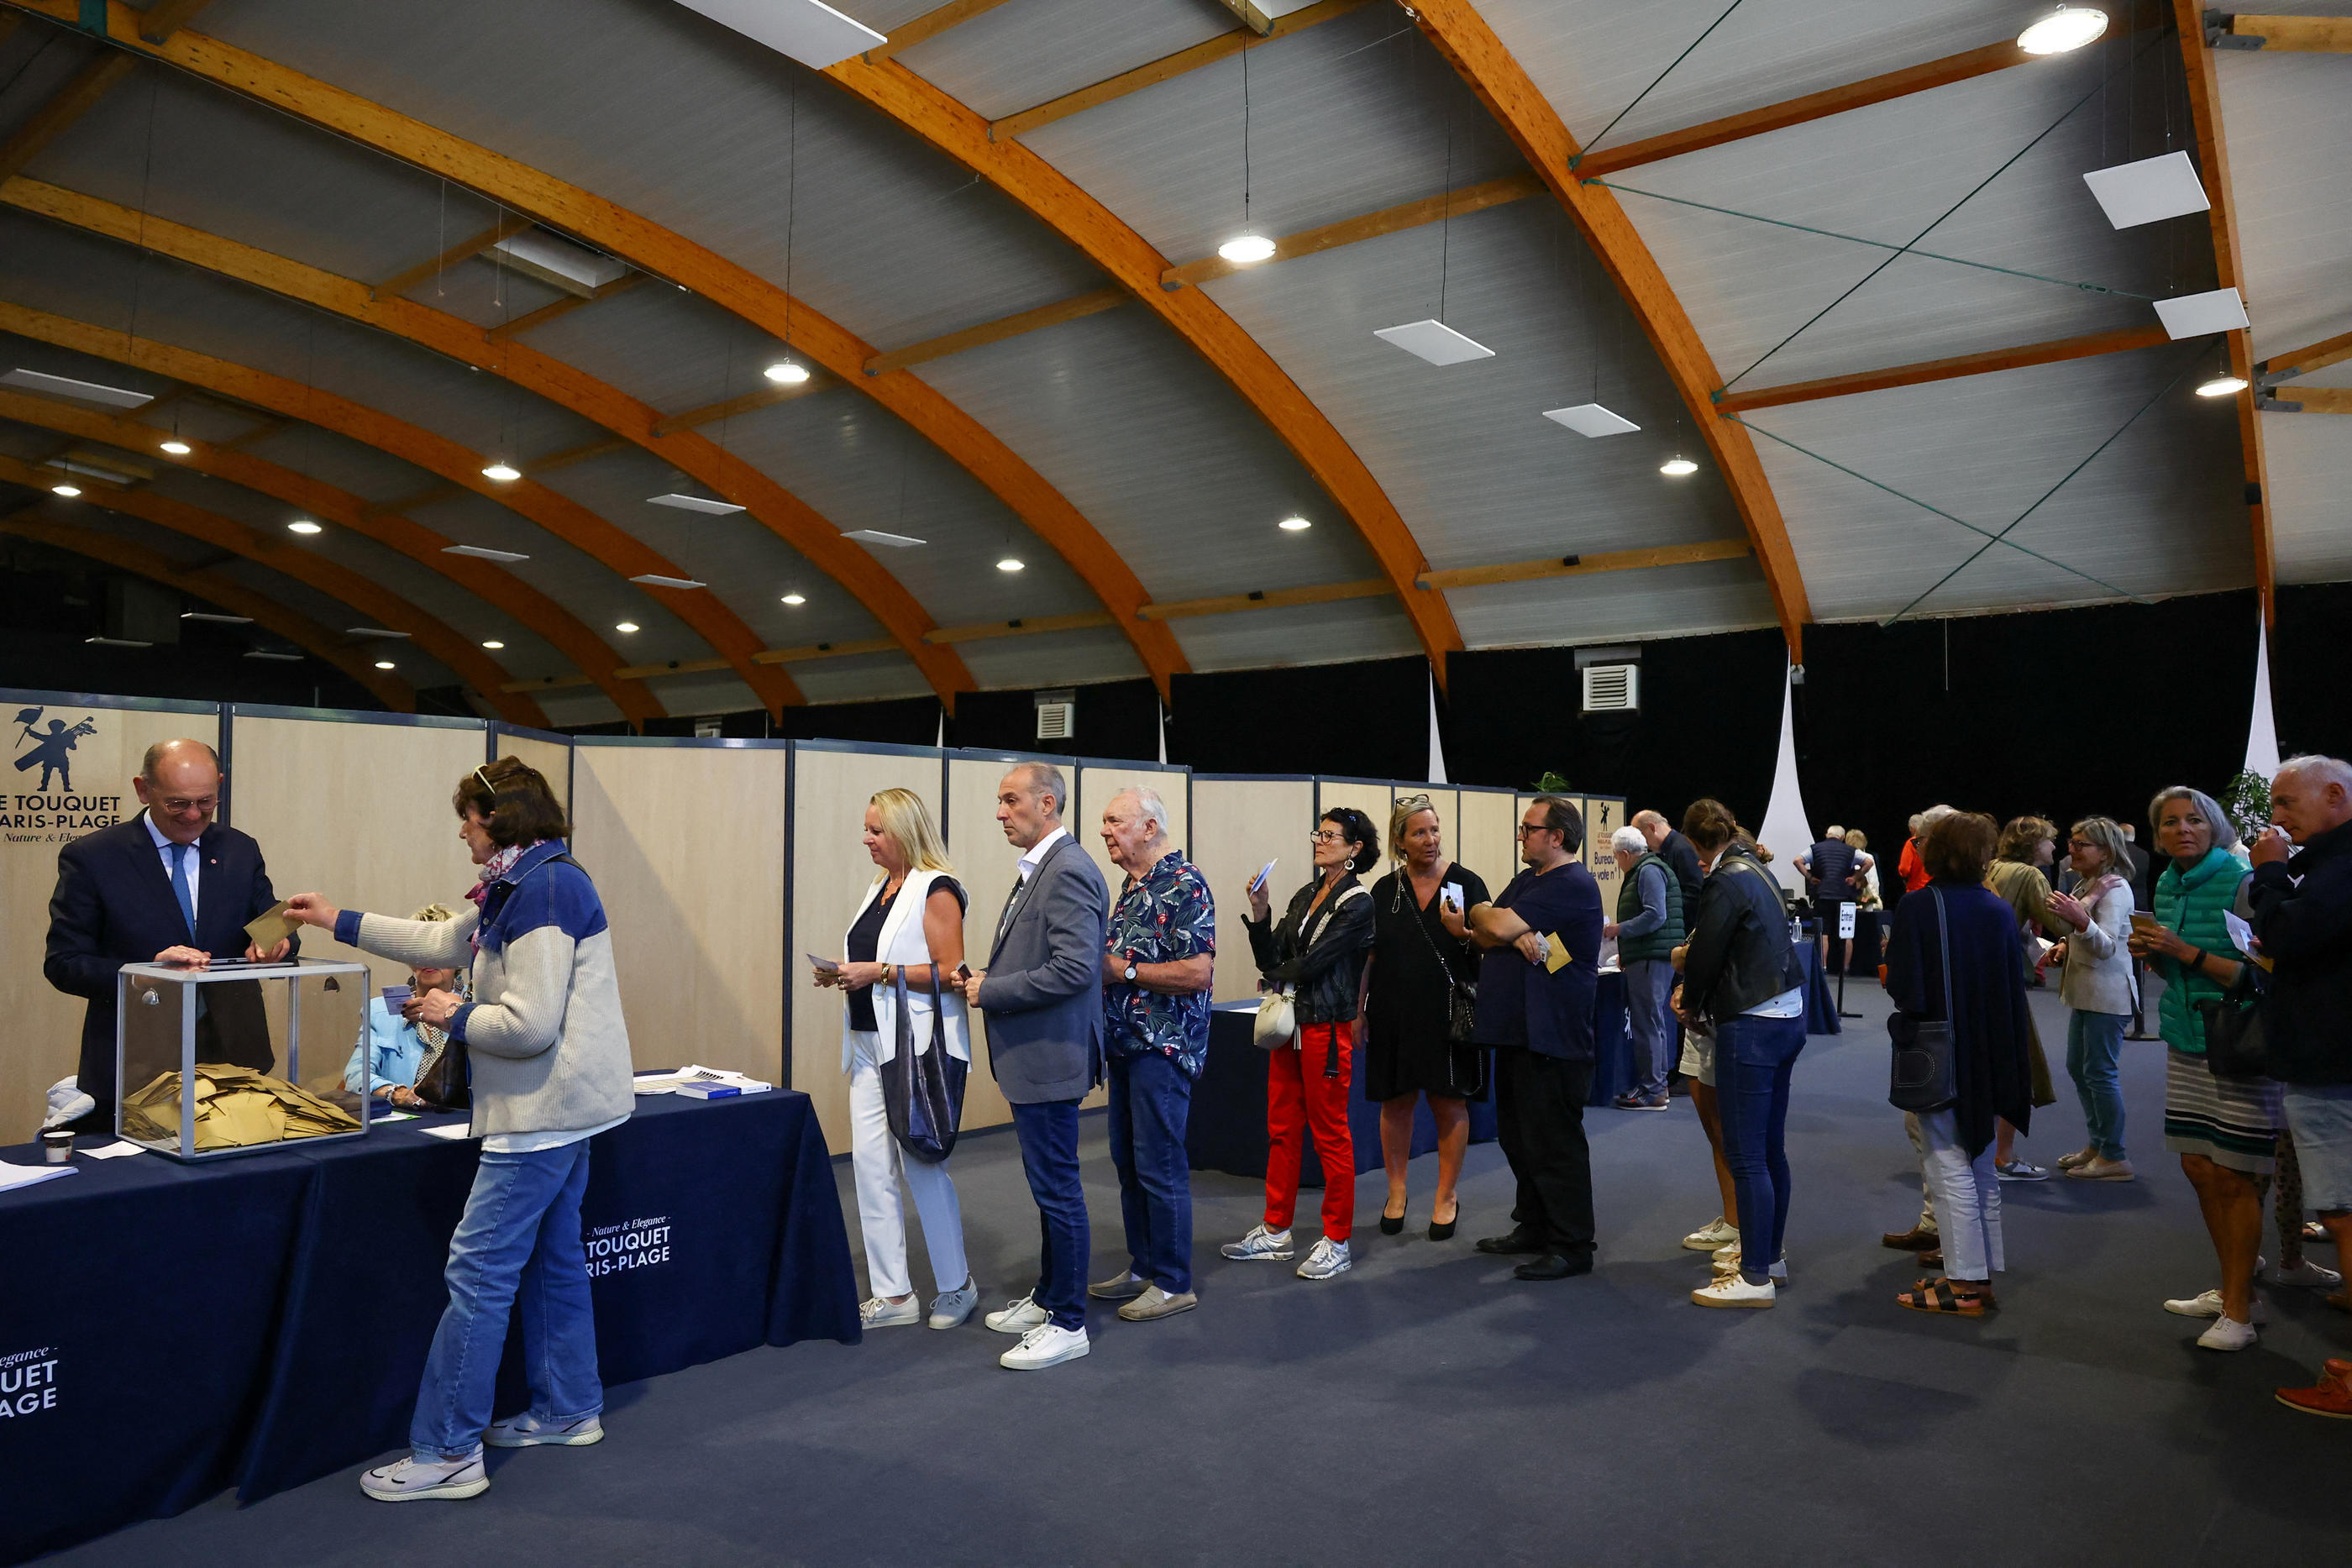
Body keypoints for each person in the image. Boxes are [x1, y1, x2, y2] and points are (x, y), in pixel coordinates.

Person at [286, 755, 633, 1501]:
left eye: (466, 823)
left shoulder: (540, 888)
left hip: (540, 1116)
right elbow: (441, 944)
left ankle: (446, 1451)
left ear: (498, 820)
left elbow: (532, 1024)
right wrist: (333, 918)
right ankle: (569, 1408)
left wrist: (455, 1014)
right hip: (563, 1112)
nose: (462, 837)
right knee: (553, 1258)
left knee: (477, 1274)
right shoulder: (527, 878)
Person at [44, 738, 291, 1132]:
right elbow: (63, 963)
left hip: (233, 1054)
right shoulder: (94, 858)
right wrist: (138, 974)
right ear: (143, 789)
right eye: (177, 803)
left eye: (206, 802)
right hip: (135, 1061)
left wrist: (278, 941)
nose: (193, 815)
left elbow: (272, 921)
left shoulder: (238, 849)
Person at [955, 763, 1109, 1371]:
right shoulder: (1047, 866)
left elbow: (1076, 968)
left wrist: (992, 988)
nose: (1000, 812)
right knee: (1050, 1187)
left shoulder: (1067, 869)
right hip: (1038, 1055)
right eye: (999, 801)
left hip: (1051, 1057)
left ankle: (1069, 1321)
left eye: (1010, 800)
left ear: (1047, 803)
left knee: (1058, 1189)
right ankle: (1050, 1296)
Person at [812, 788, 977, 1334]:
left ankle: (957, 1285)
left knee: (922, 1163)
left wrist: (877, 972)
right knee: (871, 1168)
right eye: (867, 828)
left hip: (916, 1048)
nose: (866, 839)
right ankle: (894, 1292)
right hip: (866, 1043)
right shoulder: (878, 889)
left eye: (876, 830)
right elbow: (876, 960)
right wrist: (843, 971)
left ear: (905, 831)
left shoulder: (937, 889)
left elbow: (953, 974)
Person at [2128, 785, 2278, 1350]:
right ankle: (2235, 1290)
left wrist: (2183, 951)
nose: (2182, 829)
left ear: (2215, 825)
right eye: (2170, 822)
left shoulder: (2241, 880)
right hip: (2187, 1039)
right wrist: (2158, 954)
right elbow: (2179, 972)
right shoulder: (2168, 882)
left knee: (2236, 1175)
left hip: (2239, 1044)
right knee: (2199, 1166)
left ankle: (2239, 1310)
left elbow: (2261, 975)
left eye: (2194, 819)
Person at [1882, 811, 2033, 1317]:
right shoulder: (1996, 909)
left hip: (1943, 1051)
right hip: (1993, 1050)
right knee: (1979, 1161)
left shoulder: (1920, 906)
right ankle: (1979, 1273)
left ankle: (1965, 1282)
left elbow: (1907, 986)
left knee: (1946, 1163)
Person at [1224, 805, 1380, 1282]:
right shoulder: (1306, 893)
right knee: (1282, 1127)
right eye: (1319, 832)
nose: (1319, 840)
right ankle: (1276, 1231)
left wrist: (1271, 977)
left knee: (1331, 1132)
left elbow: (1314, 963)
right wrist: (1261, 911)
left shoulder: (1358, 903)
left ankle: (1337, 1239)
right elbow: (1276, 952)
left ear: (1354, 849)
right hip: (1293, 1025)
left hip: (1327, 1026)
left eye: (1330, 835)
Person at [1467, 796, 1605, 1281]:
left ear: (1557, 836)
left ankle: (1571, 1245)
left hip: (1554, 1037)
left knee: (1554, 1144)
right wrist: (1499, 924)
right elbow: (1484, 931)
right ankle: (1535, 1224)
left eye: (1529, 828)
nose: (1521, 835)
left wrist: (1496, 918)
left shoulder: (1573, 883)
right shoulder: (1531, 879)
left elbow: (1496, 922)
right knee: (1518, 1137)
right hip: (1518, 1033)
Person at [1675, 800, 1808, 1306]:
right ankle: (1768, 1257)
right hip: (1785, 1015)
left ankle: (1754, 1276)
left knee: (1747, 1154)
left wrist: (1692, 1001)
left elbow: (1707, 951)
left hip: (1751, 1022)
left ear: (1693, 843)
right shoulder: (1756, 867)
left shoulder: (1726, 879)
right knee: (1768, 1149)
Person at [1089, 787, 1214, 1323]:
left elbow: (1197, 973)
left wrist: (1124, 971)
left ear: (1149, 827)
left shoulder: (1185, 884)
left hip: (1161, 1051)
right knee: (1128, 1162)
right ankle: (1143, 1265)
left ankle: (1174, 1281)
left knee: (1160, 1165)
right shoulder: (1132, 886)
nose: (1104, 832)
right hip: (1125, 1050)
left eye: (1115, 821)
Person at [2252, 757, 2352, 1414]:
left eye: (2287, 803)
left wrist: (2266, 871)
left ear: (2336, 796)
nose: (2277, 818)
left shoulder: (2340, 867)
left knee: (2343, 1209)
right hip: (2332, 1056)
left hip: (2330, 1060)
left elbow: (2287, 931)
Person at [1365, 794, 1490, 1238]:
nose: (1430, 839)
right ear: (1400, 841)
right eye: (1419, 832)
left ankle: (1446, 1195)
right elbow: (1371, 957)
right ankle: (1396, 1192)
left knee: (1448, 1102)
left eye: (1434, 830)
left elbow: (1488, 948)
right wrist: (1361, 1011)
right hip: (1392, 1013)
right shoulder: (1385, 890)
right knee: (1395, 1103)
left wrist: (1466, 933)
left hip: (1448, 1014)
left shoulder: (1465, 884)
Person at [2045, 818, 2138, 1181]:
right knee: (2080, 1069)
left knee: (2099, 1073)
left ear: (2106, 851)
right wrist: (2066, 943)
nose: (2072, 848)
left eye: (2081, 844)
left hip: (2106, 995)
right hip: (2088, 993)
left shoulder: (2115, 890)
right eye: (2072, 840)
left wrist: (2079, 922)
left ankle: (2114, 1155)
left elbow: (2107, 947)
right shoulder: (2091, 883)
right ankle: (2099, 1145)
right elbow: (2087, 934)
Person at [1984, 816, 2067, 1181]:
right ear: (2034, 844)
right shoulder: (2031, 876)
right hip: (2007, 984)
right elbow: (2062, 923)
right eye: (2050, 841)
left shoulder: (1994, 868)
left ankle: (1983, 1152)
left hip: (1983, 981)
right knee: (2019, 1071)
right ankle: (2003, 1157)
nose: (2054, 848)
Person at [344, 903, 470, 1110]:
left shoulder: (476, 1009)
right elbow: (356, 1075)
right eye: (421, 949)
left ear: (459, 959)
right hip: (403, 1122)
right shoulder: (379, 1011)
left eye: (441, 951)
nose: (430, 958)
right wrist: (399, 1094)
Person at [1604, 824, 1680, 1113]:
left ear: (1625, 854)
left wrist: (1617, 930)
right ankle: (1656, 1086)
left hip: (1652, 957)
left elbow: (1654, 915)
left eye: (1616, 857)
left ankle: (1653, 1090)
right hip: (1650, 955)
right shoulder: (1650, 868)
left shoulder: (1648, 871)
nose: (1617, 863)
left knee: (1647, 1024)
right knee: (1652, 1023)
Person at [1795, 824, 1858, 970]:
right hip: (1844, 896)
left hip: (1823, 895)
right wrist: (1855, 878)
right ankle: (1845, 967)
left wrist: (1809, 877)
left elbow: (1797, 861)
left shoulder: (1815, 848)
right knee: (1847, 933)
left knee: (1824, 932)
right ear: (1842, 838)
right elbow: (1868, 861)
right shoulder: (1850, 851)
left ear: (1826, 834)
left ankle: (1823, 966)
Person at [2122, 822, 2158, 1038]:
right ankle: (2139, 1019)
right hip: (2142, 908)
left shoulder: (2117, 855)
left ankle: (2133, 1013)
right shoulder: (2144, 855)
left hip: (2123, 910)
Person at [1633, 808, 1704, 910]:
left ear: (1651, 828)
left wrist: (1665, 908)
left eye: (1640, 836)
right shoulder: (1670, 849)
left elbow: (1695, 892)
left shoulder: (1682, 849)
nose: (1642, 843)